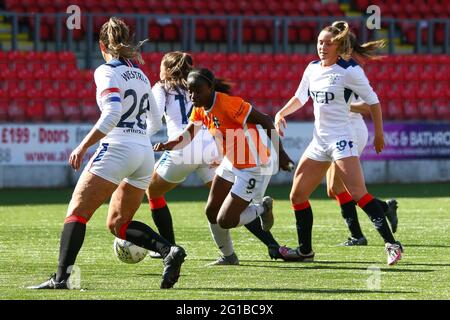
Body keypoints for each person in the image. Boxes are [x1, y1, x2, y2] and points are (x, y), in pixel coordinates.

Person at [28, 17, 186, 290]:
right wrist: (137, 139)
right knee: (118, 223)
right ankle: (169, 250)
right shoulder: (141, 74)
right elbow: (156, 122)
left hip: (117, 148)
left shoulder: (105, 71)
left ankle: (62, 278)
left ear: (102, 45)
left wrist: (82, 146)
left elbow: (112, 113)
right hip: (143, 152)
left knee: (76, 212)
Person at [274, 21, 403, 265]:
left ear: (339, 46)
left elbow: (373, 102)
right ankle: (305, 252)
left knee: (357, 193)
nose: (322, 46)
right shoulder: (312, 68)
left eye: (328, 43)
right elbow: (299, 97)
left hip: (342, 139)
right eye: (320, 42)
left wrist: (379, 134)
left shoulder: (350, 70)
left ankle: (392, 244)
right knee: (297, 195)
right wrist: (281, 113)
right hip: (319, 141)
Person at [146, 52, 289, 265]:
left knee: (154, 192)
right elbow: (191, 131)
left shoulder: (166, 88)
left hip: (241, 161)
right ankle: (247, 251)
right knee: (217, 209)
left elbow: (155, 120)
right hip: (216, 152)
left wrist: (283, 155)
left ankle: (167, 246)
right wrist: (170, 144)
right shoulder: (199, 98)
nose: (193, 96)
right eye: (191, 93)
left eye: (196, 93)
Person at [327, 98, 399, 246]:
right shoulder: (321, 76)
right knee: (333, 189)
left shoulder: (349, 75)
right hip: (333, 131)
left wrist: (342, 105)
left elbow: (367, 106)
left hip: (348, 130)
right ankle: (385, 208)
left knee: (341, 188)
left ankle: (357, 236)